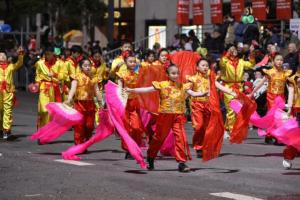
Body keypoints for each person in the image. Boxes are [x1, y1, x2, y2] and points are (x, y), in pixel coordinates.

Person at [127, 65, 193, 172]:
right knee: (159, 138)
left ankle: (182, 162)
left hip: (178, 116)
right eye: (173, 73)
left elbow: (193, 93)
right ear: (167, 74)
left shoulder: (182, 86)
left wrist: (202, 93)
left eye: (177, 73)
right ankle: (151, 156)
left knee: (181, 138)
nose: (176, 75)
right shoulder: (162, 85)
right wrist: (132, 90)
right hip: (165, 115)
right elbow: (147, 89)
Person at [186, 58, 236, 159]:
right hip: (196, 106)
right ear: (197, 67)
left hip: (208, 106)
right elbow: (188, 91)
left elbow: (219, 86)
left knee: (207, 128)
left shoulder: (210, 78)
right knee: (199, 126)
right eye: (203, 65)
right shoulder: (193, 79)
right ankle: (198, 147)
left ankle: (204, 147)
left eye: (207, 66)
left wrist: (233, 92)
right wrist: (198, 94)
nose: (205, 67)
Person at [250, 53, 293, 144]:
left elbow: (289, 87)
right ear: (273, 62)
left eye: (281, 60)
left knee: (279, 117)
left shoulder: (285, 73)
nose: (279, 62)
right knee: (273, 116)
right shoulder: (269, 72)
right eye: (277, 60)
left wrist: (292, 96)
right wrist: (252, 93)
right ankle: (272, 136)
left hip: (281, 97)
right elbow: (261, 83)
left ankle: (275, 136)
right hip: (271, 97)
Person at [219, 44, 255, 138]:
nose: (233, 50)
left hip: (239, 88)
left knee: (237, 109)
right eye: (231, 49)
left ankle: (226, 129)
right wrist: (228, 53)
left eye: (234, 49)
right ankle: (232, 131)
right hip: (228, 87)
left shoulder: (241, 62)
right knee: (231, 110)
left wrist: (251, 53)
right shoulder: (225, 61)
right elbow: (222, 63)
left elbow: (251, 65)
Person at [64, 57, 102, 145]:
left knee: (90, 126)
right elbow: (73, 89)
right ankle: (78, 144)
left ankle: (85, 143)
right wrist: (69, 99)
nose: (88, 67)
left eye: (89, 65)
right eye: (85, 66)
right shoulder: (76, 77)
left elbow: (97, 91)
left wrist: (101, 102)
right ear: (81, 67)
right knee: (79, 126)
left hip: (90, 104)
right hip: (79, 104)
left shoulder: (94, 78)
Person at [116, 51, 145, 158]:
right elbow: (119, 88)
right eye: (130, 62)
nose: (133, 63)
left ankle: (135, 147)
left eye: (134, 62)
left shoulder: (138, 75)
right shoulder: (122, 75)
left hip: (135, 103)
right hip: (124, 103)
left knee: (137, 127)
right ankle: (128, 150)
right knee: (127, 128)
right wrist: (119, 101)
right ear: (125, 62)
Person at [35, 46, 66, 129]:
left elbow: (64, 75)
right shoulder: (39, 63)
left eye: (49, 54)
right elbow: (38, 75)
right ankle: (41, 129)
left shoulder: (60, 63)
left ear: (53, 53)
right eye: (46, 54)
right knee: (43, 110)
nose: (47, 56)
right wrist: (37, 84)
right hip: (44, 88)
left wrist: (55, 74)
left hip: (55, 89)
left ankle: (47, 131)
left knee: (51, 112)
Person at [0, 47, 24, 139]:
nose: (2, 56)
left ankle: (6, 131)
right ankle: (1, 130)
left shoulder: (10, 66)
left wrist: (20, 54)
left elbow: (19, 63)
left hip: (8, 92)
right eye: (0, 55)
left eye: (3, 55)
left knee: (7, 111)